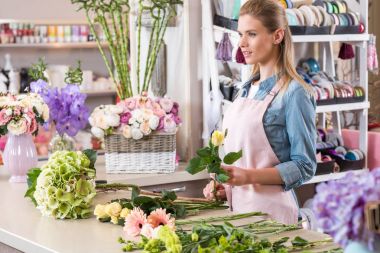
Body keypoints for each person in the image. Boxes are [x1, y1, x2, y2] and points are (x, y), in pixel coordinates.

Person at [207, 0, 317, 225]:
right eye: (240, 34)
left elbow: (304, 166)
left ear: (277, 36)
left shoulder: (294, 93)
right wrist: (226, 186)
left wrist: (247, 177)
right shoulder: (246, 88)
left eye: (252, 34)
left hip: (273, 219)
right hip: (239, 213)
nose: (242, 43)